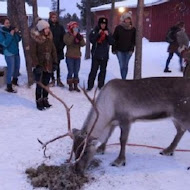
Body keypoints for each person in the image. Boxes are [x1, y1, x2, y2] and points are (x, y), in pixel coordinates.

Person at [31, 19, 58, 110]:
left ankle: (45, 100)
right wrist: (36, 65)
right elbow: (33, 54)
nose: (47, 30)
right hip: (40, 65)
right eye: (45, 28)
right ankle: (39, 101)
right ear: (41, 29)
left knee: (46, 84)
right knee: (39, 84)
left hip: (48, 65)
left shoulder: (49, 39)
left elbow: (53, 51)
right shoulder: (36, 39)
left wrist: (55, 62)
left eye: (48, 28)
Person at [87, 17, 114, 91]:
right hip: (96, 54)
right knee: (93, 71)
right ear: (99, 24)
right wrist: (98, 34)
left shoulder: (108, 31)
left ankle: (100, 85)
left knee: (103, 71)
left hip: (104, 55)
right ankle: (90, 85)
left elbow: (112, 42)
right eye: (102, 24)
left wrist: (108, 35)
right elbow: (91, 40)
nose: (103, 25)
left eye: (104, 24)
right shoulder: (95, 31)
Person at [112, 11, 136, 80]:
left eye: (129, 19)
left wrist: (132, 49)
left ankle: (123, 79)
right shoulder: (118, 28)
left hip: (128, 50)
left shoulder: (133, 29)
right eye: (126, 19)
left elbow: (133, 40)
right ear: (123, 19)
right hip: (119, 50)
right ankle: (123, 79)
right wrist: (113, 49)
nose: (128, 20)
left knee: (126, 65)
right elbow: (114, 39)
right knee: (122, 66)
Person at [0, 18, 21, 92]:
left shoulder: (11, 29)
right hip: (8, 53)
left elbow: (18, 40)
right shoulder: (1, 32)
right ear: (3, 24)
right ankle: (9, 86)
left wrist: (17, 33)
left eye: (9, 23)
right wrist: (10, 35)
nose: (8, 24)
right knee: (11, 70)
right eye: (6, 23)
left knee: (17, 68)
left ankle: (15, 81)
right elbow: (5, 43)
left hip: (16, 52)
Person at [63, 21, 85, 92]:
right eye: (74, 27)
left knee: (76, 71)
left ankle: (75, 85)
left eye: (76, 27)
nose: (75, 29)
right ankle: (70, 85)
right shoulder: (67, 35)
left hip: (77, 56)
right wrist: (73, 35)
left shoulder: (79, 35)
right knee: (70, 71)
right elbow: (67, 42)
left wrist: (80, 38)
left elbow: (83, 44)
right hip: (70, 56)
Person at [48, 12, 65, 87]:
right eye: (53, 17)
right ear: (50, 18)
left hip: (58, 49)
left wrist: (61, 46)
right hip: (50, 49)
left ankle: (58, 79)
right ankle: (52, 79)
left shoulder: (60, 27)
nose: (54, 19)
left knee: (58, 65)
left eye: (55, 17)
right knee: (50, 65)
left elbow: (63, 38)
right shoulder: (48, 27)